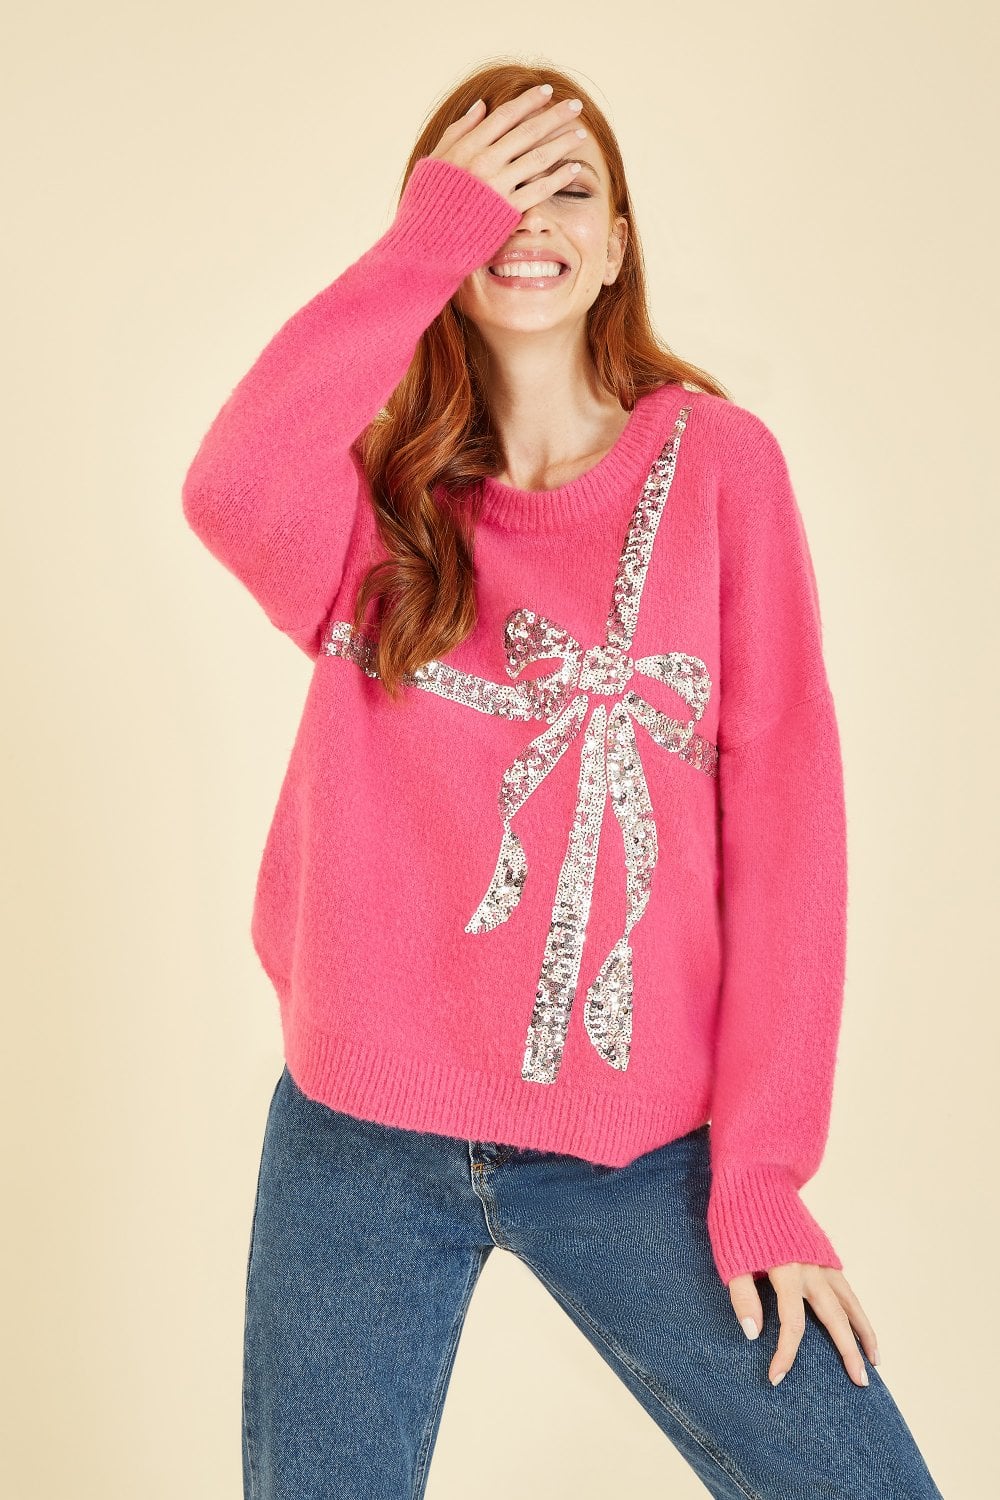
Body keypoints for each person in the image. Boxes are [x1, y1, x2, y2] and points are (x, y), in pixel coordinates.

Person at [181, 61, 944, 1500]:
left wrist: (763, 1170)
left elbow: (791, 826)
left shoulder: (721, 469)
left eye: (566, 189)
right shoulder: (378, 501)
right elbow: (226, 488)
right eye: (491, 193)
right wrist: (424, 242)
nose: (527, 221)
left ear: (614, 247)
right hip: (361, 1130)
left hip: (640, 1145)